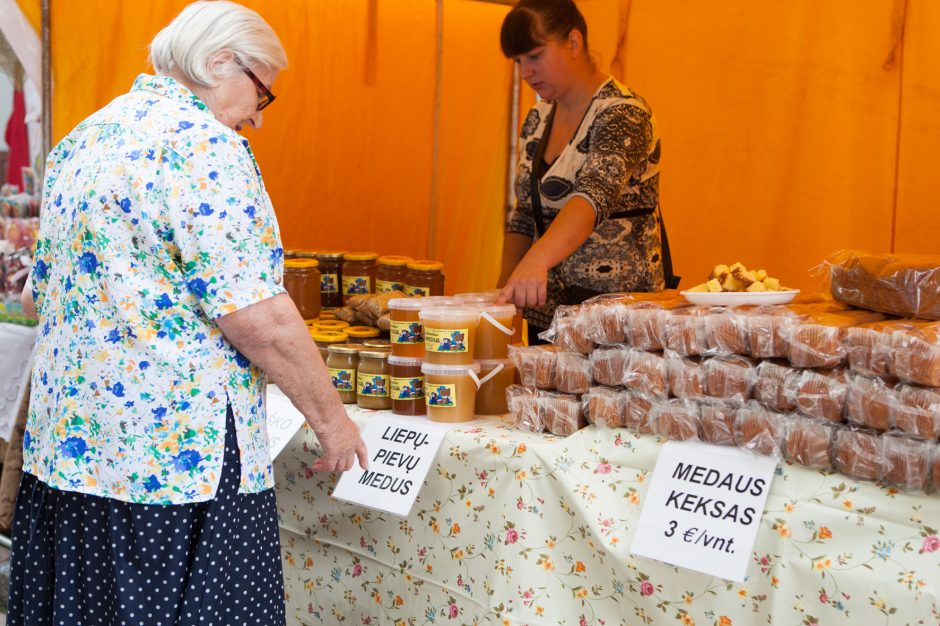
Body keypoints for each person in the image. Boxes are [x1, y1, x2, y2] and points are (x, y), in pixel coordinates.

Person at [10, 2, 367, 624]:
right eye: (263, 95)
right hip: (174, 460)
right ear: (218, 61)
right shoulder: (206, 146)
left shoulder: (83, 138)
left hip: (74, 448)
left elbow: (35, 295)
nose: (258, 117)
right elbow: (259, 319)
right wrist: (332, 421)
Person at [496, 0, 669, 345]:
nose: (525, 73)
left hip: (616, 323)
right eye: (517, 62)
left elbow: (592, 197)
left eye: (534, 56)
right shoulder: (538, 118)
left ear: (573, 43)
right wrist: (504, 292)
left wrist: (536, 261)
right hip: (549, 319)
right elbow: (524, 215)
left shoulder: (624, 114)